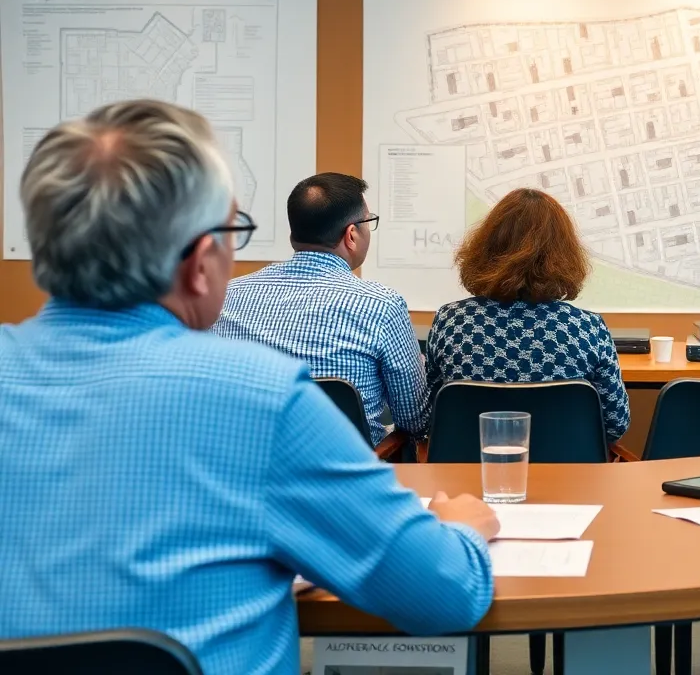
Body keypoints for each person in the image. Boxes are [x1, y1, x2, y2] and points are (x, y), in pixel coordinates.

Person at [0, 100, 499, 675]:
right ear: (198, 263)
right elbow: (441, 596)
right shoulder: (263, 400)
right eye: (231, 232)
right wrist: (463, 527)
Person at [213, 172, 427, 449]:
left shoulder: (229, 294)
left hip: (244, 470)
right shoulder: (382, 305)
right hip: (343, 478)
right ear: (351, 234)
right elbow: (415, 421)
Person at [426, 188, 629, 442]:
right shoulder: (587, 328)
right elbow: (615, 424)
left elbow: (427, 418)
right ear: (564, 254)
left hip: (470, 476)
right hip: (569, 478)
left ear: (486, 248)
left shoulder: (450, 321)